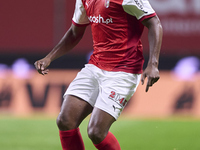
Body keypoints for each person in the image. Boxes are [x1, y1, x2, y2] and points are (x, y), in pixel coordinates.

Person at [34, 0, 163, 149]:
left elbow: (154, 23)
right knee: (65, 120)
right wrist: (49, 57)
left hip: (123, 71)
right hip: (95, 66)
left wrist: (153, 64)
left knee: (96, 132)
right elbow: (74, 33)